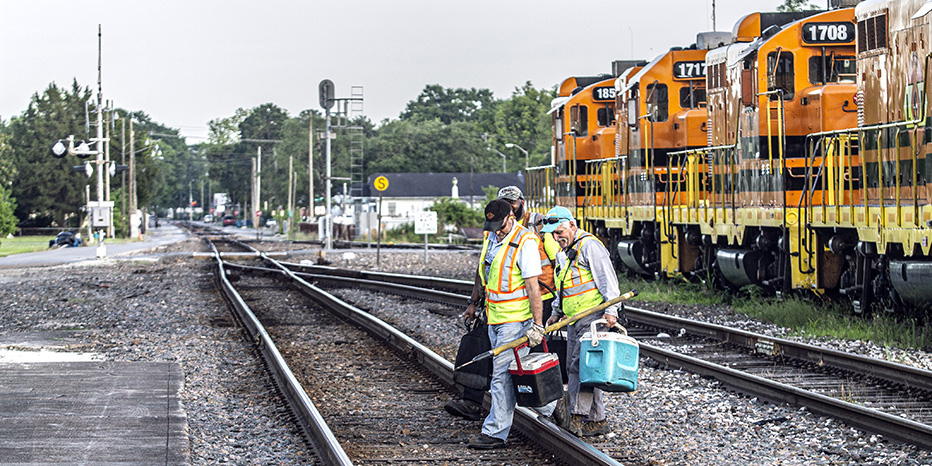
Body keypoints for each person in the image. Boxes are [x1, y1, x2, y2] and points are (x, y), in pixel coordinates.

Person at [444, 186, 560, 421]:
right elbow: (483, 269)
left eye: (513, 202)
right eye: (505, 202)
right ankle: (474, 401)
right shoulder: (493, 232)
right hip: (498, 307)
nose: (510, 205)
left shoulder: (536, 229)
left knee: (513, 367)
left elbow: (559, 264)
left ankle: (541, 408)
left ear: (520, 204)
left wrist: (552, 310)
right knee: (493, 358)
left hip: (535, 302)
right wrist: (474, 302)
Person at [542, 206, 621, 437]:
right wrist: (556, 310)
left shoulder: (590, 246)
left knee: (580, 366)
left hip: (593, 317)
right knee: (580, 368)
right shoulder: (563, 251)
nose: (557, 238)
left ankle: (576, 416)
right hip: (573, 319)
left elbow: (608, 281)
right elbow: (563, 285)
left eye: (560, 232)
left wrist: (611, 310)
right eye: (554, 234)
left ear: (572, 225)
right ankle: (597, 420)